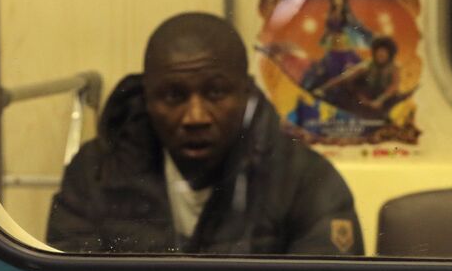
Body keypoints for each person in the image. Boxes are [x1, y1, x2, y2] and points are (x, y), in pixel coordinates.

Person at [46, 13, 363, 256]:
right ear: (146, 97)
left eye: (216, 93)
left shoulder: (307, 181)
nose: (195, 117)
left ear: (246, 92)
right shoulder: (94, 174)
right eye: (173, 96)